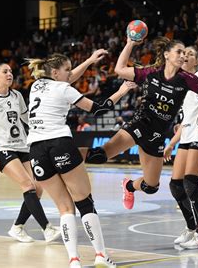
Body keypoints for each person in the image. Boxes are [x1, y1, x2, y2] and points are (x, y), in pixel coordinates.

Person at [26, 50, 134, 268]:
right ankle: (100, 256)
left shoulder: (36, 86)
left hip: (36, 151)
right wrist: (122, 91)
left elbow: (67, 79)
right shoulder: (64, 88)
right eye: (67, 69)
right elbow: (99, 109)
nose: (70, 73)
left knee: (65, 209)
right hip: (59, 144)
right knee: (84, 202)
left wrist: (89, 61)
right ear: (55, 72)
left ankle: (73, 260)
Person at [84, 36, 198, 213]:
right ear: (167, 54)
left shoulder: (188, 79)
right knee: (98, 156)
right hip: (139, 124)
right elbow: (119, 69)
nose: (183, 55)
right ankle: (66, 154)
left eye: (185, 53)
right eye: (179, 51)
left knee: (151, 187)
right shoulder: (151, 72)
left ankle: (129, 186)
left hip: (157, 135)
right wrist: (130, 43)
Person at [0, 63, 61, 244]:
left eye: (11, 72)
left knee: (38, 187)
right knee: (27, 185)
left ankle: (17, 227)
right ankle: (47, 228)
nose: (9, 74)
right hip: (2, 149)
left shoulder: (17, 95)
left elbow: (27, 119)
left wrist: (44, 129)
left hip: (23, 146)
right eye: (5, 72)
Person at [162, 46, 198, 249]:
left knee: (190, 183)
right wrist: (171, 143)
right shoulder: (182, 82)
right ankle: (191, 227)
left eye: (191, 54)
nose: (186, 56)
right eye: (185, 54)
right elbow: (185, 120)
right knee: (175, 185)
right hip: (187, 135)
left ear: (197, 61)